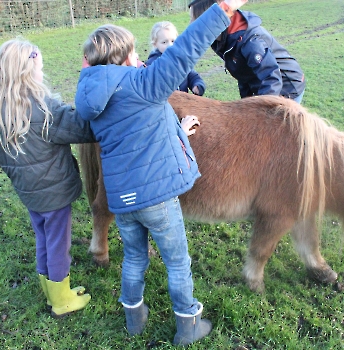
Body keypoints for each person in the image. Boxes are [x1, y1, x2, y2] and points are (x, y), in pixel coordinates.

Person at [74, 0, 247, 345]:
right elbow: (185, 49)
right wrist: (222, 8)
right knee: (178, 263)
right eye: (136, 54)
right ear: (127, 59)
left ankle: (134, 318)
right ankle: (188, 324)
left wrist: (177, 128)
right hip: (158, 199)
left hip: (124, 202)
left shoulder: (90, 99)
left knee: (134, 258)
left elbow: (132, 131)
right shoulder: (144, 83)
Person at [0, 38, 95, 318]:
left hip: (28, 192)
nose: (42, 72)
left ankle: (49, 286)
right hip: (55, 193)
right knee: (57, 244)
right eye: (39, 67)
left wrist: (13, 163)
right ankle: (62, 299)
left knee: (43, 238)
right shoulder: (44, 108)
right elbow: (82, 130)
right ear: (29, 71)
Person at [188, 0, 306, 103]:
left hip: (287, 86)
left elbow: (271, 78)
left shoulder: (250, 42)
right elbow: (243, 72)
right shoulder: (221, 38)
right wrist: (245, 103)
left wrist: (259, 113)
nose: (190, 24)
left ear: (210, 20)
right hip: (265, 84)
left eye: (194, 19)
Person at [146, 21, 206, 96]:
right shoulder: (152, 64)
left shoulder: (182, 59)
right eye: (164, 42)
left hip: (183, 102)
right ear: (155, 44)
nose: (170, 45)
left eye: (173, 41)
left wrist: (197, 85)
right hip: (163, 104)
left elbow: (192, 76)